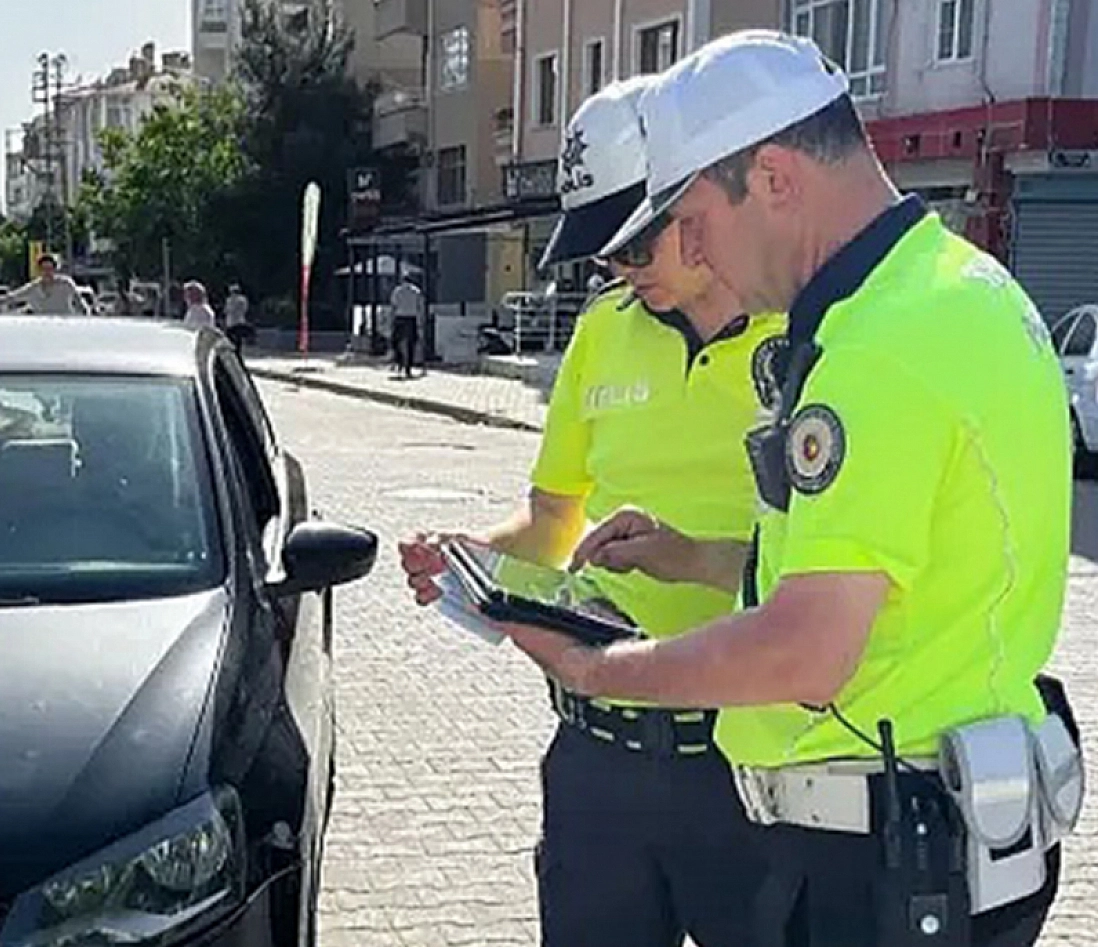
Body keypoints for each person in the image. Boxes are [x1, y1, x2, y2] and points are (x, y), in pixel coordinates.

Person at [448, 31, 1072, 947]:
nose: (692, 254)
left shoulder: (877, 349)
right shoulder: (964, 289)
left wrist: (596, 668)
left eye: (692, 218)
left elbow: (806, 649)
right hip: (940, 829)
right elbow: (889, 574)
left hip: (876, 857)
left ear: (775, 177)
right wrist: (694, 555)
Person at [400, 75, 785, 947]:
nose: (618, 270)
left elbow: (843, 563)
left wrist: (692, 555)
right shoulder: (602, 331)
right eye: (603, 254)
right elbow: (551, 524)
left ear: (700, 194)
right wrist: (474, 561)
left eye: (634, 245)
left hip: (754, 761)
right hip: (596, 763)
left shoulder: (807, 335)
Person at [0, 254, 91, 315]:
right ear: (39, 271)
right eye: (44, 269)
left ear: (55, 270)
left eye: (50, 269)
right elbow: (10, 297)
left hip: (64, 327)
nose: (47, 272)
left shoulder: (66, 283)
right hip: (42, 330)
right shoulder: (33, 288)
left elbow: (80, 303)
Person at [388, 273, 424, 378]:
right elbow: (420, 307)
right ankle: (408, 368)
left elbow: (393, 306)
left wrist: (391, 320)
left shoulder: (397, 291)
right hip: (411, 318)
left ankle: (399, 361)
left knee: (395, 341)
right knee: (411, 344)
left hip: (400, 318)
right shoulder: (416, 291)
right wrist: (420, 321)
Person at [224, 284, 252, 355]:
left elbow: (227, 310)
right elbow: (245, 310)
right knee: (238, 341)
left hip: (231, 323)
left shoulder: (230, 300)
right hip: (240, 321)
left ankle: (233, 354)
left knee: (231, 340)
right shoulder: (243, 300)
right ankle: (238, 353)